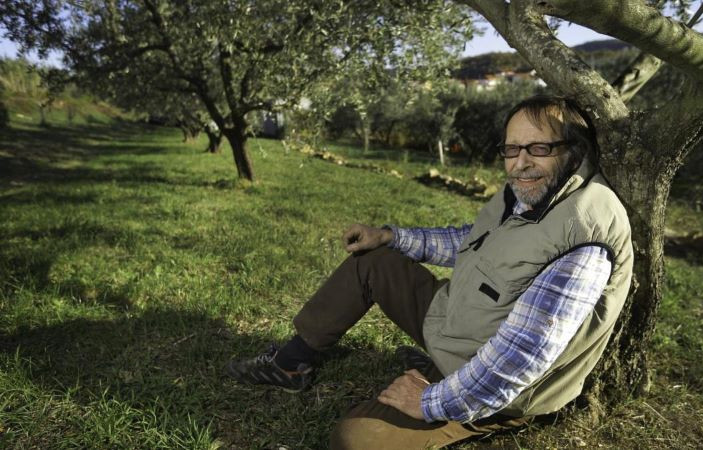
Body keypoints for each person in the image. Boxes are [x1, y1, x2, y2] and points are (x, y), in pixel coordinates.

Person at [225, 95, 633, 449]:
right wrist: (390, 236)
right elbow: (472, 240)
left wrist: (429, 402)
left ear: (574, 151)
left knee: (355, 441)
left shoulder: (583, 234)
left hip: (494, 382)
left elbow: (519, 360)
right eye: (511, 149)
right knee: (373, 258)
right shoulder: (530, 192)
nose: (520, 163)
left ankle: (436, 381)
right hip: (455, 322)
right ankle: (291, 362)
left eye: (538, 148)